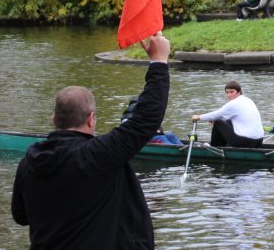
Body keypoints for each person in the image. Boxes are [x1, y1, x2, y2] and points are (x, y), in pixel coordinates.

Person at [11, 32, 171, 249]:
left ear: (54, 120)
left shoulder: (29, 163)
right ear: (91, 119)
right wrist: (158, 63)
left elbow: (21, 216)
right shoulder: (99, 155)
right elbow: (145, 119)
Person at [191, 80, 264, 148]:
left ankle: (214, 147)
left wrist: (199, 117)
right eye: (227, 92)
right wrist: (214, 119)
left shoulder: (234, 103)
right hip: (258, 142)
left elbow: (216, 114)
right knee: (228, 121)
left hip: (245, 142)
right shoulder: (248, 100)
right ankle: (224, 145)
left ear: (239, 92)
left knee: (218, 122)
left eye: (232, 92)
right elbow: (224, 117)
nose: (229, 95)